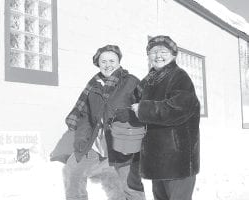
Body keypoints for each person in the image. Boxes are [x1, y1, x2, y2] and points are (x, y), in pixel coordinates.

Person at [116, 35, 200, 200]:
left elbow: (178, 109)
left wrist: (143, 109)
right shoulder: (149, 80)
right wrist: (125, 113)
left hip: (177, 159)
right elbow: (134, 102)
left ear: (174, 55)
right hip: (157, 159)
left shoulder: (180, 77)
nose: (158, 55)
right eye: (153, 52)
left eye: (163, 51)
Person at [62, 45, 146, 200]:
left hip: (123, 143)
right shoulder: (94, 85)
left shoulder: (131, 82)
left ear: (119, 62)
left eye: (112, 61)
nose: (108, 65)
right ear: (98, 63)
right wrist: (81, 139)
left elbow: (149, 105)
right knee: (72, 170)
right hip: (95, 142)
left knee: (131, 187)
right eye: (104, 61)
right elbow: (85, 115)